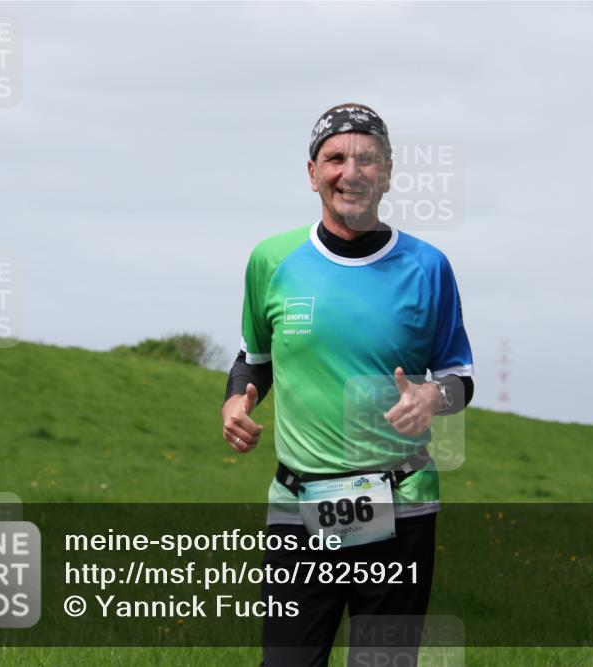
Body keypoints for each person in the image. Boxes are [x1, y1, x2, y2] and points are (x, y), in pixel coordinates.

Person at [220, 103, 474, 667]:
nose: (350, 171)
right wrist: (237, 397)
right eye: (335, 158)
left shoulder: (428, 267)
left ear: (387, 173)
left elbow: (460, 376)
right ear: (312, 172)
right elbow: (252, 358)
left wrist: (433, 397)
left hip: (398, 501)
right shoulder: (272, 259)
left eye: (367, 159)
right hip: (299, 507)